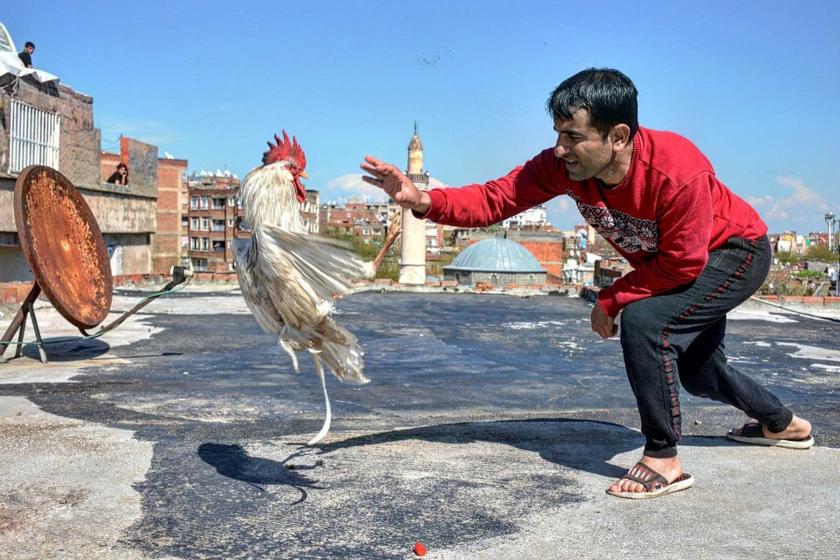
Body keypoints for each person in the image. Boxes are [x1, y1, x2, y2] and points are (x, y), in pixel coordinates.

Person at [360, 68, 813, 499]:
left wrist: (612, 297)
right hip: (676, 261)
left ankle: (663, 458)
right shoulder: (566, 167)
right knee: (698, 372)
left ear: (618, 137)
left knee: (644, 320)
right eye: (557, 134)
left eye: (573, 136)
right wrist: (421, 199)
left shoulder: (678, 170)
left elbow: (683, 263)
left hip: (732, 252)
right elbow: (496, 197)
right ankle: (782, 423)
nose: (560, 149)